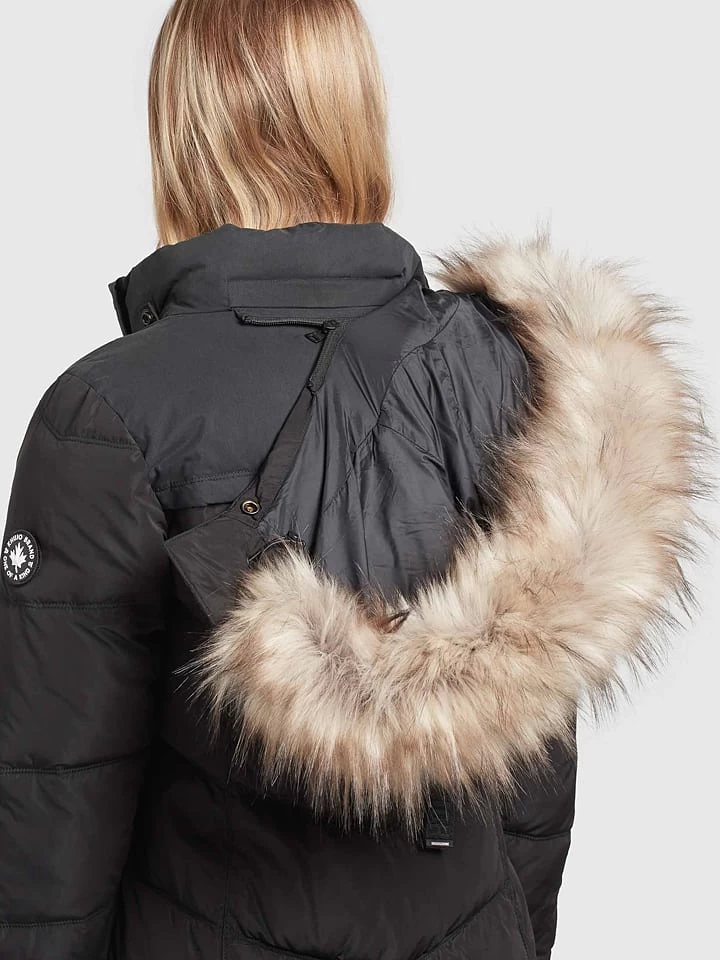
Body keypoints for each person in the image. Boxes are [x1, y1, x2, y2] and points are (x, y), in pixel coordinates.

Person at [0, 1, 707, 958]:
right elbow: (534, 789)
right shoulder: (514, 374)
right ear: (357, 115)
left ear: (182, 131)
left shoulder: (106, 416)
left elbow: (53, 811)